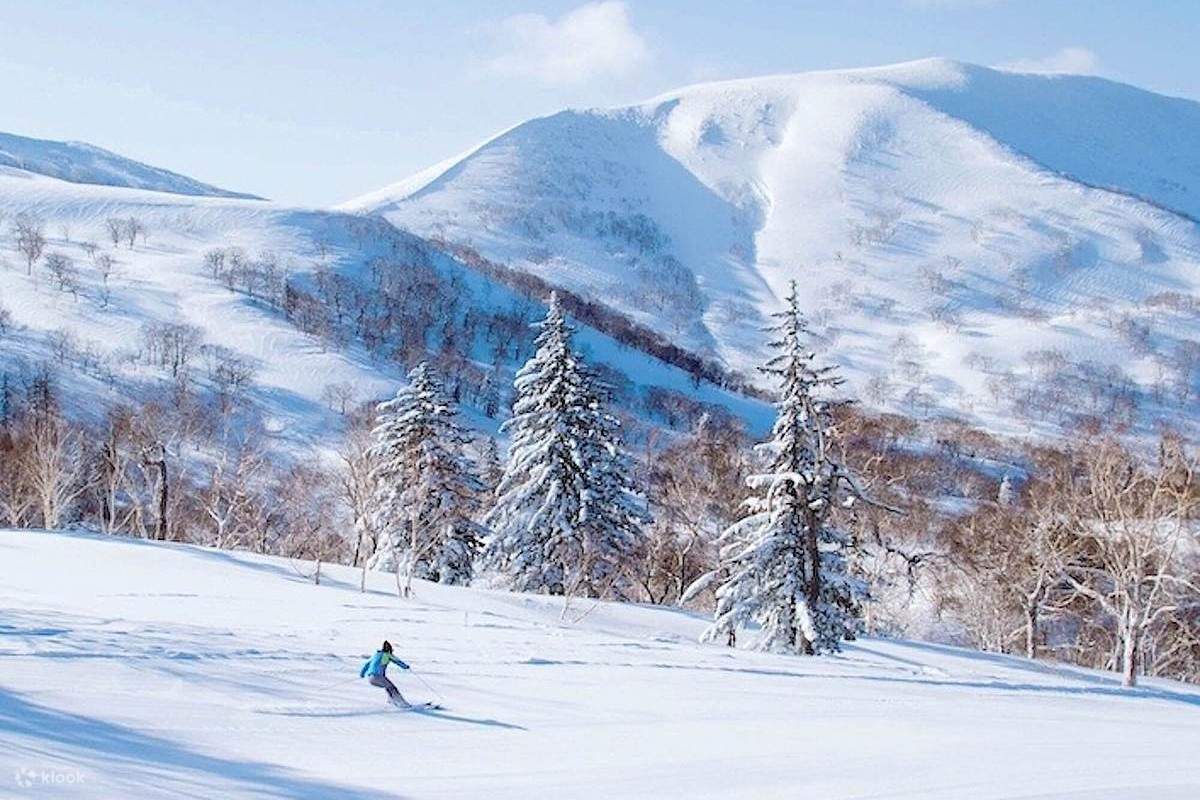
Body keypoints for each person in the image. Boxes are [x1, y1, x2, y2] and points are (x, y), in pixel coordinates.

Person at [360, 640, 411, 707]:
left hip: (370, 678)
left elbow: (366, 664)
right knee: (392, 688)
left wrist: (362, 674)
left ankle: (392, 701)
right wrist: (406, 667)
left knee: (388, 687)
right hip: (378, 677)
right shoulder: (387, 655)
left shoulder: (376, 655)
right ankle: (402, 703)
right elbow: (397, 661)